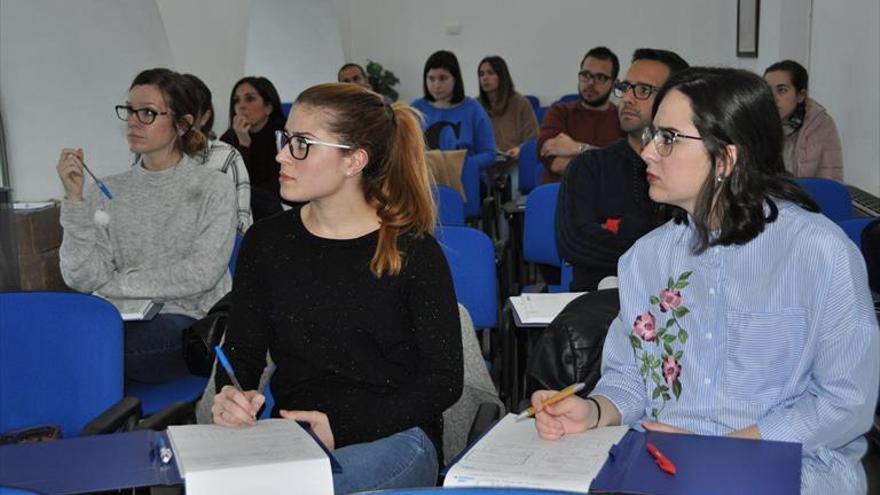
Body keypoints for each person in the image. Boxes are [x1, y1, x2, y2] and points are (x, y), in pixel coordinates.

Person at [532, 67, 879, 494]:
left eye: (669, 138)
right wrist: (595, 410)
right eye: (652, 134)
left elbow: (846, 401)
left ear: (726, 158)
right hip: (666, 465)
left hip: (794, 466)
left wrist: (724, 449)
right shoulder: (645, 259)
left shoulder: (819, 253)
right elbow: (629, 377)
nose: (647, 152)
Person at [212, 83, 463, 493]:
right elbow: (241, 355)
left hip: (395, 435)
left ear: (354, 161)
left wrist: (342, 426)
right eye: (285, 140)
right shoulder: (266, 242)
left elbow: (443, 381)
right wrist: (230, 396)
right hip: (296, 437)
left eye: (301, 144)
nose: (280, 155)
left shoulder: (413, 250)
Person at [57, 68, 237, 384]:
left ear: (182, 124)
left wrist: (116, 285)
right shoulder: (106, 189)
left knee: (90, 356)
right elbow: (81, 278)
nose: (133, 122)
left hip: (189, 320)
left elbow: (200, 273)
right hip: (119, 316)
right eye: (129, 110)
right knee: (57, 343)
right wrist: (74, 202)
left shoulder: (213, 187)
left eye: (148, 113)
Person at [556, 48, 688, 291]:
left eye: (643, 90)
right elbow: (576, 243)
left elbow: (697, 248)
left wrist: (616, 235)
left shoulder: (689, 171)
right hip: (596, 309)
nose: (627, 98)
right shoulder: (588, 167)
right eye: (626, 87)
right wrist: (660, 251)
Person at [411, 50, 496, 217]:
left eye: (443, 78)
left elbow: (489, 154)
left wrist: (459, 164)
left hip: (466, 181)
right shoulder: (415, 109)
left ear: (455, 79)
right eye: (431, 79)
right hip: (426, 182)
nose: (436, 85)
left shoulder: (472, 108)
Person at [537, 46, 623, 183]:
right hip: (559, 197)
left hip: (605, 199)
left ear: (614, 84)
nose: (590, 83)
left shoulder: (623, 119)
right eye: (585, 75)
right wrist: (605, 162)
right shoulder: (558, 112)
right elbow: (557, 164)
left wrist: (576, 148)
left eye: (600, 77)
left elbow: (623, 168)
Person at [183, 73, 253, 234]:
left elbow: (240, 229)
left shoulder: (225, 157)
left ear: (205, 117)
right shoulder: (148, 156)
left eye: (187, 112)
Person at [763, 60, 843, 181]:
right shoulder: (755, 121)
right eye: (768, 91)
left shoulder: (820, 124)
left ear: (800, 95)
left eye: (782, 90)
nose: (773, 98)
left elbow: (831, 181)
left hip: (806, 197)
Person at [220, 76, 286, 220]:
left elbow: (275, 188)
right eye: (236, 100)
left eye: (249, 99)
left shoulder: (284, 135)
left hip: (279, 206)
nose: (241, 106)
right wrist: (243, 143)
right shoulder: (228, 138)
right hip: (242, 210)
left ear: (268, 108)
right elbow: (231, 184)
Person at [477, 55, 539, 167]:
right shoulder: (475, 106)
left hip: (514, 162)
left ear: (502, 76)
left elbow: (533, 139)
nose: (485, 78)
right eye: (481, 74)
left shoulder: (521, 103)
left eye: (491, 73)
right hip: (485, 164)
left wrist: (520, 149)